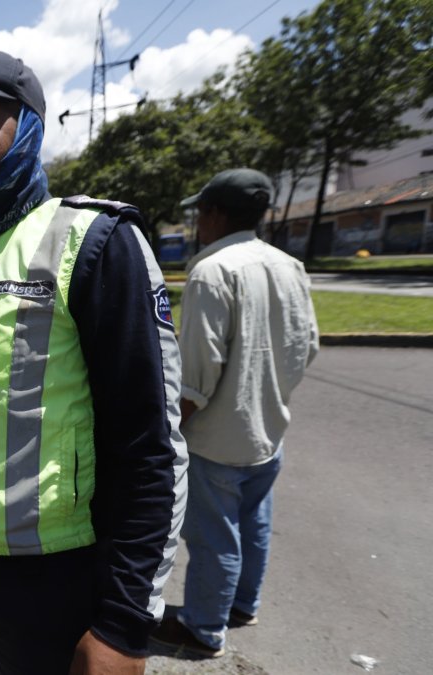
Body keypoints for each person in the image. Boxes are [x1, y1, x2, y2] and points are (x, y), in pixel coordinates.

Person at [0, 46, 188, 674]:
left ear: (26, 126)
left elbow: (152, 447)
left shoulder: (95, 243)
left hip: (51, 587)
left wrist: (124, 623)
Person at [150, 169, 319, 658]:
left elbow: (196, 374)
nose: (197, 222)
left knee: (213, 537)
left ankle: (204, 629)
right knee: (253, 523)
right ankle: (242, 605)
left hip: (216, 439)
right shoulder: (289, 265)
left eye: (199, 212)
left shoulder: (212, 270)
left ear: (215, 214)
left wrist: (169, 434)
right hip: (269, 430)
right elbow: (306, 346)